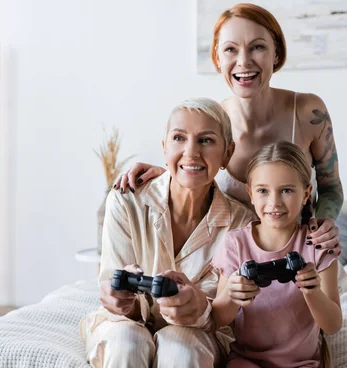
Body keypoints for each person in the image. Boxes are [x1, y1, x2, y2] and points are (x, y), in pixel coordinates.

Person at [115, 3, 343, 256]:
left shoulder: (308, 112)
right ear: (217, 58)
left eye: (257, 47)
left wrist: (323, 222)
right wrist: (164, 174)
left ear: (276, 53)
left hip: (299, 256)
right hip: (229, 266)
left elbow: (331, 187)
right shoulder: (212, 123)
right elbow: (196, 182)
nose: (243, 62)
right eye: (230, 50)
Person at [80, 98, 256, 367]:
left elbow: (220, 313)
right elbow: (110, 284)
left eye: (206, 140)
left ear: (227, 154)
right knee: (127, 341)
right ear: (164, 148)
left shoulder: (241, 224)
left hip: (197, 333)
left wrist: (200, 308)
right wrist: (119, 300)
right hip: (124, 325)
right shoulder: (127, 201)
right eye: (178, 138)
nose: (191, 153)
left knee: (181, 349)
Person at [211, 141, 342, 367]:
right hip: (247, 361)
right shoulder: (236, 243)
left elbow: (333, 325)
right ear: (250, 193)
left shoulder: (318, 246)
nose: (274, 203)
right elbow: (219, 319)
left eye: (287, 190)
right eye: (263, 191)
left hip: (302, 363)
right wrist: (232, 293)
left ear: (306, 193)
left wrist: (312, 292)